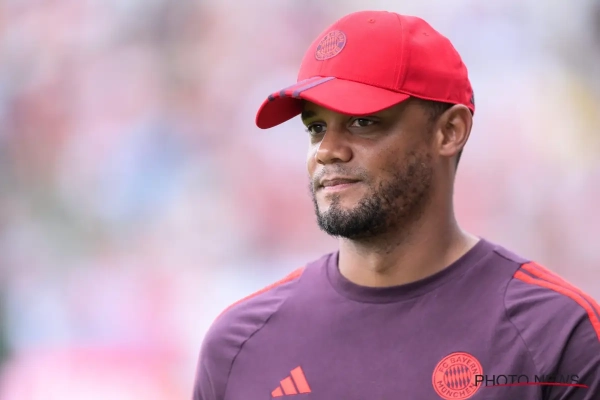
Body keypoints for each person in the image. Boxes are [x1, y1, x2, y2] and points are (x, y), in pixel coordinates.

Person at [192, 10, 600, 400]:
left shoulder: (559, 334)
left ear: (449, 132)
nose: (327, 150)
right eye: (316, 127)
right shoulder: (240, 343)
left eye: (362, 121)